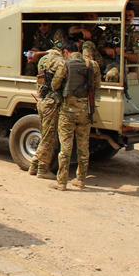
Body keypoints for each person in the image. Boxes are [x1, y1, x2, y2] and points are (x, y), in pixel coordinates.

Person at [50, 41, 101, 191]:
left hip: (67, 112)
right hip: (85, 112)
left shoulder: (65, 65)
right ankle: (81, 180)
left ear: (67, 52)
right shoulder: (93, 65)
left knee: (65, 148)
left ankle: (62, 182)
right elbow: (97, 86)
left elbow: (55, 85)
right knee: (83, 147)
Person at [29, 42, 65, 179]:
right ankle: (42, 169)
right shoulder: (60, 62)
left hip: (42, 101)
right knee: (49, 137)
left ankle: (33, 166)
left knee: (45, 134)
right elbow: (56, 85)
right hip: (51, 102)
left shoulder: (43, 60)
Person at [100, 5, 139, 82]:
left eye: (130, 15)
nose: (127, 18)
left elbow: (137, 57)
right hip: (106, 61)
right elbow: (99, 46)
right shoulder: (110, 30)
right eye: (125, 15)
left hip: (123, 64)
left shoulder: (135, 34)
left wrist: (123, 53)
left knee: (112, 74)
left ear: (133, 16)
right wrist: (106, 50)